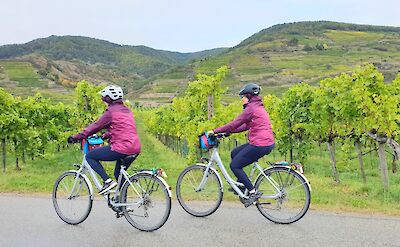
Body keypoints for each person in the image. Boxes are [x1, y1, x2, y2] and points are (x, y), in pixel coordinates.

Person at [209, 83, 275, 207]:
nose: (242, 100)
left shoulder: (251, 108)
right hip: (266, 143)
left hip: (259, 144)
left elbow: (235, 123)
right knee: (234, 153)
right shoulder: (258, 106)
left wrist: (215, 131)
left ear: (249, 96)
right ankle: (242, 186)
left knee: (234, 166)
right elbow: (244, 126)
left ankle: (252, 191)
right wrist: (228, 132)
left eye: (243, 97)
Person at [68, 85, 141, 195]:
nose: (103, 101)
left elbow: (95, 126)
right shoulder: (127, 111)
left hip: (121, 148)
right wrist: (104, 136)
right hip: (135, 147)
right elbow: (121, 128)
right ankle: (122, 207)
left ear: (108, 99)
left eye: (104, 98)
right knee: (119, 175)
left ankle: (107, 181)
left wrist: (76, 137)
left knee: (90, 156)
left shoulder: (111, 112)